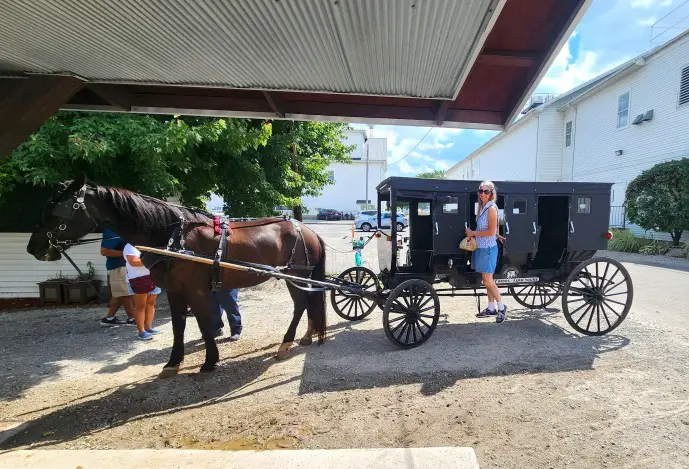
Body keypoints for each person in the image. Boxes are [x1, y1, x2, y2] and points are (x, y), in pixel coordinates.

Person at [465, 181, 508, 323]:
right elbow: (493, 229)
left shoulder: (491, 208)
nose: (482, 193)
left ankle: (501, 307)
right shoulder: (483, 207)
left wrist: (473, 233)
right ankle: (491, 308)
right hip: (482, 248)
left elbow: (490, 230)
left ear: (491, 194)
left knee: (488, 281)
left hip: (488, 249)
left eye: (486, 191)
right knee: (486, 281)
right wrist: (497, 234)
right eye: (480, 191)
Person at [123, 243, 162, 340]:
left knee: (151, 303)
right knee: (140, 306)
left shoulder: (150, 243)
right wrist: (154, 259)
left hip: (153, 276)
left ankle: (148, 327)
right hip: (138, 279)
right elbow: (133, 262)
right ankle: (141, 331)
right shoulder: (130, 246)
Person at [99, 228, 135, 326]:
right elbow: (105, 251)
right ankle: (132, 319)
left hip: (125, 266)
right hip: (117, 267)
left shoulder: (122, 229)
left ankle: (109, 318)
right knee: (125, 294)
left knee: (118, 294)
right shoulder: (112, 231)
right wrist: (127, 254)